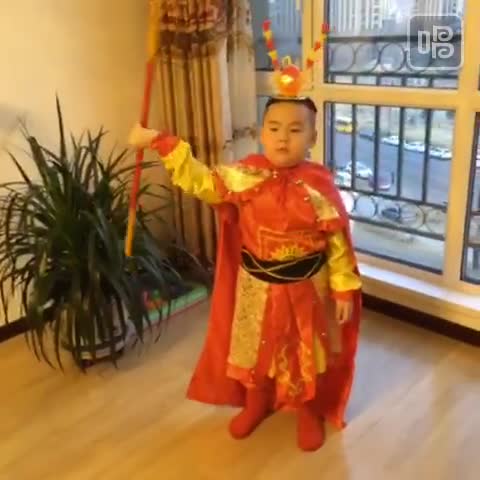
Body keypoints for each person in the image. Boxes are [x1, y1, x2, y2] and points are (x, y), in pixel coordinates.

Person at [128, 92, 362, 452]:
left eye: (295, 130)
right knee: (253, 347)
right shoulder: (244, 176)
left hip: (307, 289)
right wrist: (162, 141)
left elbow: (338, 243)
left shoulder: (320, 186)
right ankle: (256, 403)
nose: (283, 138)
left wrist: (344, 288)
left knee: (305, 352)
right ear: (261, 133)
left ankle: (307, 411)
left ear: (313, 137)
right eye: (274, 128)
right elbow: (201, 181)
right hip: (256, 286)